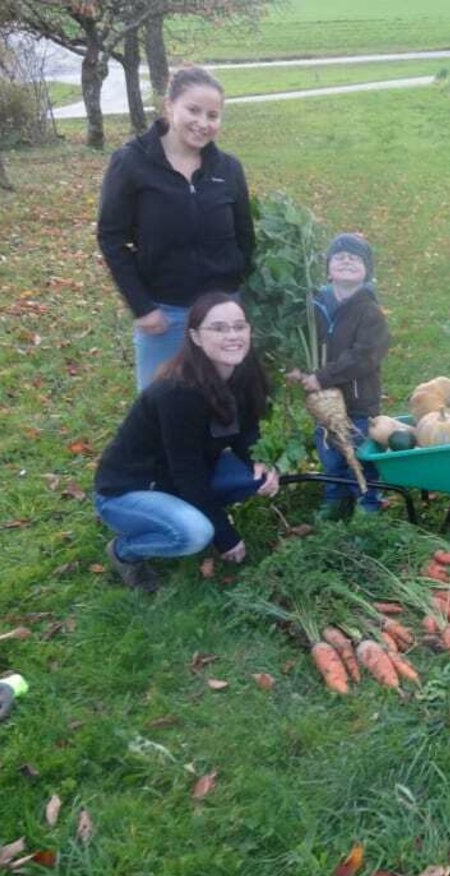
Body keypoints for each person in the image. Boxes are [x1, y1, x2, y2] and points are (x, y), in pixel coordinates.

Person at [93, 293, 279, 592]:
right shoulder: (177, 393)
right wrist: (224, 534)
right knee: (195, 533)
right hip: (129, 489)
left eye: (239, 326)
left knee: (252, 479)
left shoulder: (243, 373)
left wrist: (257, 460)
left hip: (179, 476)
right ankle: (125, 551)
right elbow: (187, 471)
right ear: (195, 336)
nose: (232, 336)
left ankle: (183, 512)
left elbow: (246, 431)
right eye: (218, 328)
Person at [97, 66, 254, 391]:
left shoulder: (229, 168)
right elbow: (111, 238)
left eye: (213, 115)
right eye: (193, 110)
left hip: (223, 315)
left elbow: (245, 236)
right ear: (169, 105)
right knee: (162, 408)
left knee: (225, 407)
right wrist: (142, 306)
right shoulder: (131, 163)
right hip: (165, 315)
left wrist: (239, 298)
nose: (203, 123)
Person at [286, 233, 391, 520]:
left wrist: (323, 376)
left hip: (358, 401)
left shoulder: (370, 311)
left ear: (366, 271)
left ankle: (367, 501)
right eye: (339, 256)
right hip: (324, 404)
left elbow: (364, 355)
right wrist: (298, 367)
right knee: (329, 453)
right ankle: (335, 496)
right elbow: (299, 340)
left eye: (355, 257)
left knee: (358, 453)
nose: (346, 260)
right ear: (328, 269)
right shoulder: (314, 306)